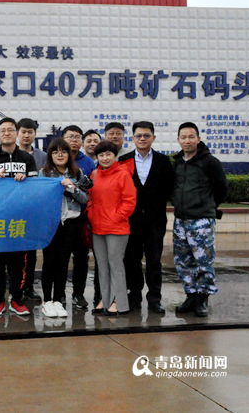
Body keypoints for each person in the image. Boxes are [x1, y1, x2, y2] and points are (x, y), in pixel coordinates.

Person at [172, 122, 228, 317]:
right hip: (180, 220)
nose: (187, 141)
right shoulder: (178, 162)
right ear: (178, 140)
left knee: (203, 261)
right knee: (183, 261)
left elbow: (221, 188)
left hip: (201, 220)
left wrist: (208, 207)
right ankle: (191, 295)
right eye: (183, 137)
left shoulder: (210, 161)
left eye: (191, 137)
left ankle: (203, 298)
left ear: (198, 139)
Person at [0, 117, 37, 317]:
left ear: (16, 133)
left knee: (19, 263)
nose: (6, 133)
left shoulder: (27, 158)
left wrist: (25, 180)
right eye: (2, 130)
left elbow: (35, 187)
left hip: (20, 219)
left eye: (10, 130)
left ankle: (17, 299)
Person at [118, 121, 174, 313]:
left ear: (153, 137)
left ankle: (154, 298)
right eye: (139, 136)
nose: (142, 139)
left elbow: (169, 188)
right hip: (131, 221)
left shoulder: (163, 161)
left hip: (155, 221)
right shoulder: (124, 160)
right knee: (132, 260)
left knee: (154, 260)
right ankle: (134, 296)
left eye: (146, 135)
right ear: (133, 138)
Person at [39, 139, 88, 318]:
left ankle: (58, 299)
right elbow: (38, 197)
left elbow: (84, 198)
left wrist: (72, 188)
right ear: (50, 155)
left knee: (63, 261)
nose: (60, 155)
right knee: (49, 261)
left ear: (69, 154)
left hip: (71, 223)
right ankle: (47, 300)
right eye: (55, 152)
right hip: (50, 223)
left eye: (63, 151)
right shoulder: (43, 173)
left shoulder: (77, 172)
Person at [87, 140, 136, 316]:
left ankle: (119, 302)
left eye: (108, 154)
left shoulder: (123, 174)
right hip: (97, 227)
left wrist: (116, 217)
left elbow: (129, 201)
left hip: (117, 228)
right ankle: (105, 299)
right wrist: (91, 213)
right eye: (101, 155)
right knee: (102, 266)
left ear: (115, 155)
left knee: (116, 265)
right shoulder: (94, 174)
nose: (105, 158)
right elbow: (90, 198)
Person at [61, 124, 95, 310]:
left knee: (81, 258)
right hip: (62, 219)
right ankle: (59, 294)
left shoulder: (88, 163)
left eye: (77, 137)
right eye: (70, 137)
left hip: (82, 217)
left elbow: (91, 189)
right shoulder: (57, 160)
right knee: (62, 257)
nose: (74, 140)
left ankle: (78, 294)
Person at [16, 117, 47, 302]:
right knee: (13, 252)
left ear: (35, 134)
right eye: (23, 132)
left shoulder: (43, 157)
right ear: (17, 133)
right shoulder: (9, 154)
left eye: (30, 132)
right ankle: (14, 287)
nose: (26, 135)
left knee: (31, 252)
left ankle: (28, 286)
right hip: (13, 210)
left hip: (34, 211)